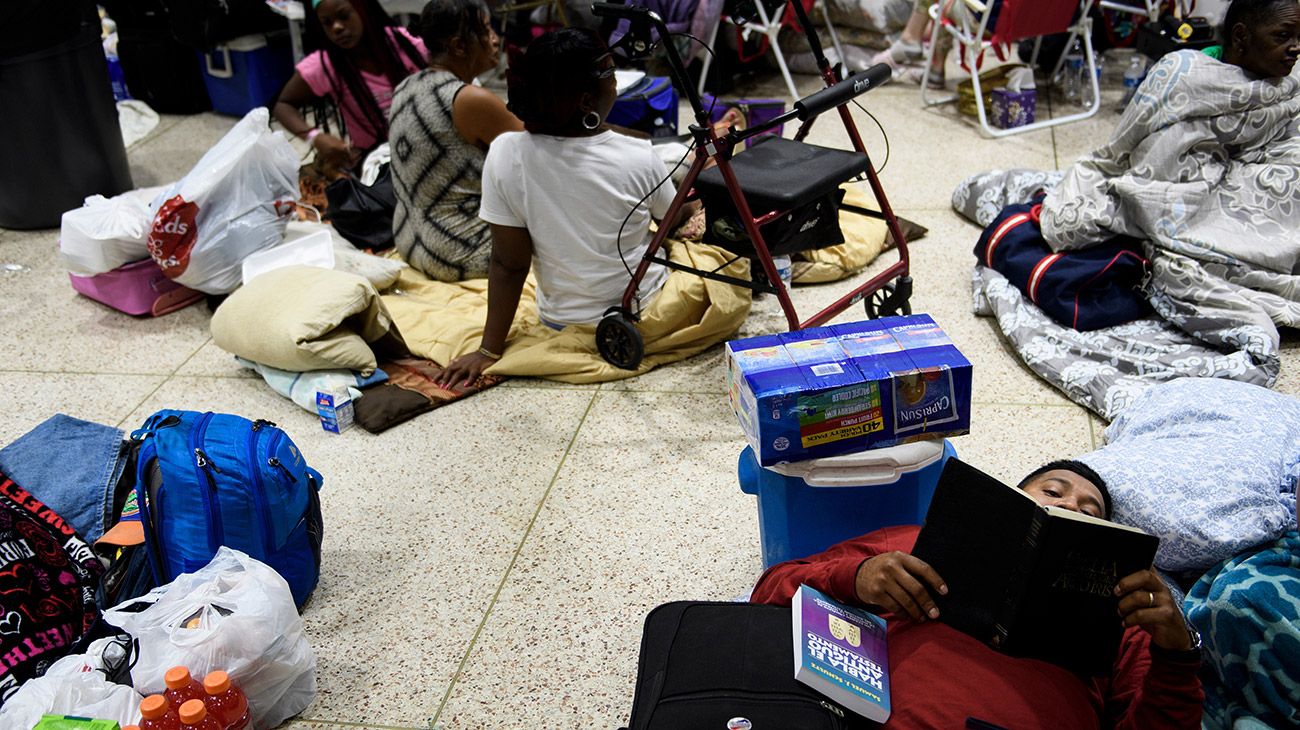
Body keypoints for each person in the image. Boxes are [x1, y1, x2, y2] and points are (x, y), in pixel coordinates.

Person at [751, 460, 1204, 729]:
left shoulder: (1125, 613)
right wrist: (856, 577)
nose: (1071, 506)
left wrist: (1176, 652)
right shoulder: (913, 540)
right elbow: (769, 594)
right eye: (1053, 492)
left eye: (1091, 512)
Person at [436, 28, 695, 387]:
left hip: (559, 319)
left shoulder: (506, 152)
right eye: (613, 78)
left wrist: (488, 350)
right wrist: (695, 203)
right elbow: (673, 219)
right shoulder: (640, 157)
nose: (617, 87)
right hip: (640, 310)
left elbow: (508, 264)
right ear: (588, 101)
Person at [389, 0, 523, 282]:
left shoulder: (406, 86)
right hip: (462, 252)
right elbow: (541, 154)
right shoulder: (469, 99)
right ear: (460, 46)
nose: (495, 39)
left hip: (408, 241)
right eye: (487, 30)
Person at [272, 0, 427, 172]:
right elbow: (283, 105)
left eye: (344, 16)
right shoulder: (326, 65)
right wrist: (315, 137)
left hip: (425, 146)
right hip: (376, 163)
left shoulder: (403, 44)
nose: (337, 27)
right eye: (327, 23)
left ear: (362, 10)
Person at [1206, 0, 1300, 78]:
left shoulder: (1293, 85)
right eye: (1283, 35)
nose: (1297, 48)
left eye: (1299, 37)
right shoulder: (1197, 79)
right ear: (1241, 36)